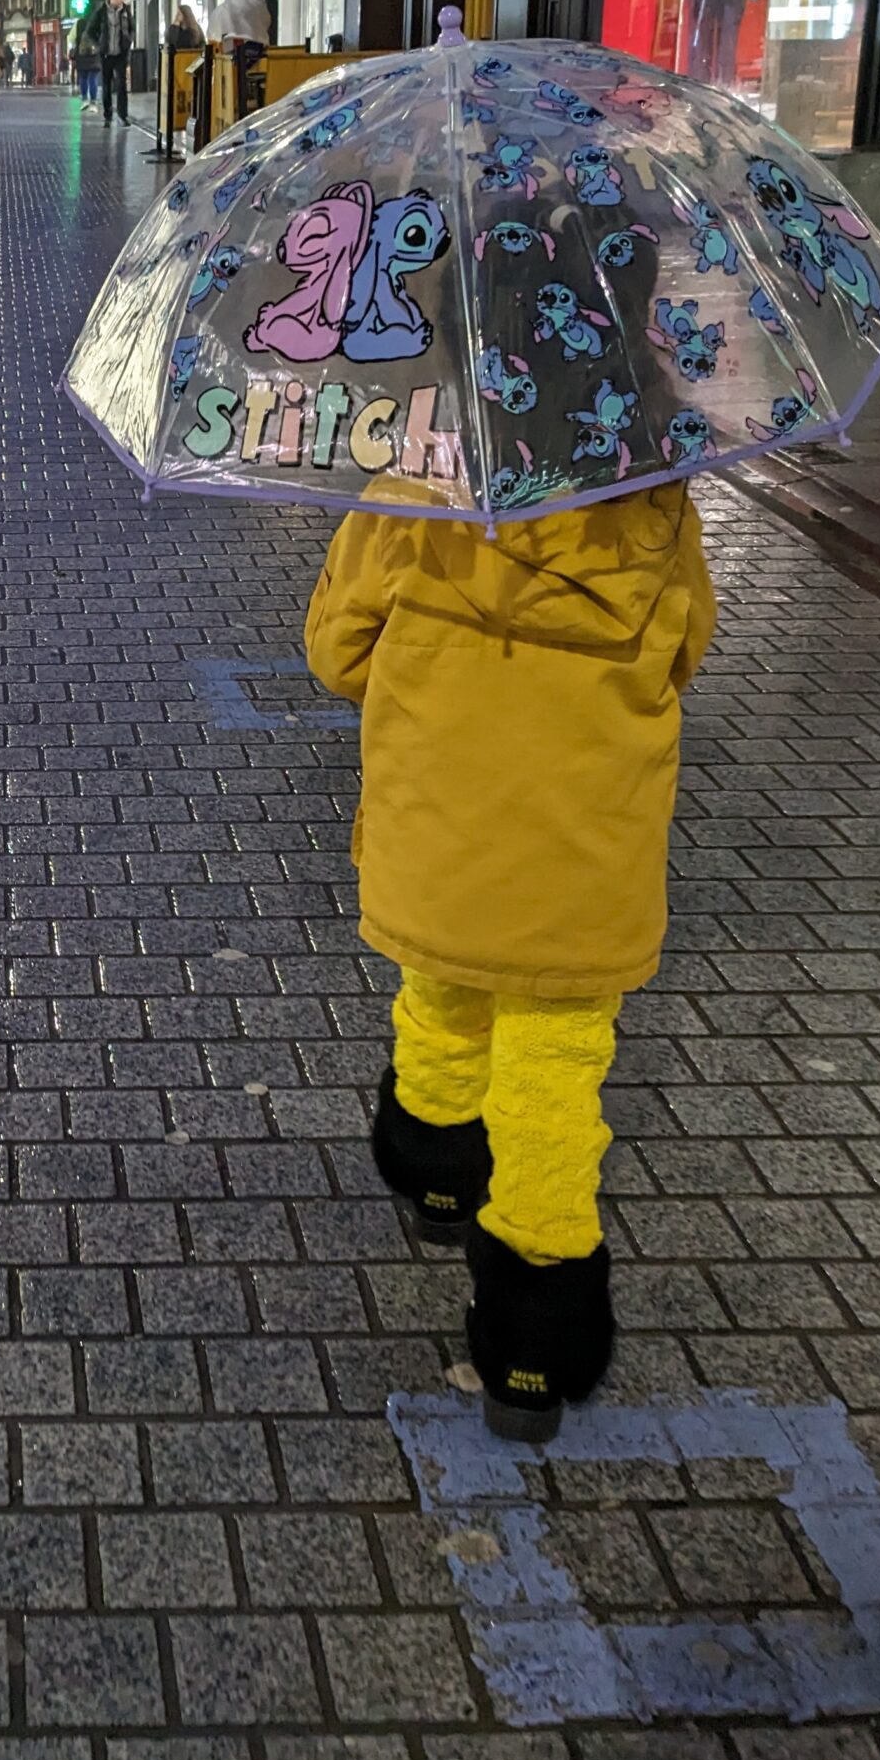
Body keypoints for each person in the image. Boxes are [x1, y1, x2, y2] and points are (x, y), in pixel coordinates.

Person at [305, 480, 715, 1441]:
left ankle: (438, 1178)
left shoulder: (414, 489)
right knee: (555, 1082)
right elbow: (685, 650)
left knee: (442, 1000)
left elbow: (338, 652)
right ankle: (533, 1340)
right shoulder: (654, 504)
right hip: (585, 857)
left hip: (444, 830)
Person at [84, 0, 136, 125]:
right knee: (106, 85)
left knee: (121, 85)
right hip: (106, 54)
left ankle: (122, 116)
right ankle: (108, 115)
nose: (121, 0)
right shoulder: (101, 12)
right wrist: (98, 44)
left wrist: (129, 40)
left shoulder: (125, 11)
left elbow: (132, 28)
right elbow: (90, 30)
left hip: (120, 53)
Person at [73, 22, 101, 107]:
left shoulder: (79, 27)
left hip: (81, 56)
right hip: (93, 56)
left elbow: (75, 43)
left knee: (83, 78)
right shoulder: (96, 25)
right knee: (93, 79)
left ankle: (84, 99)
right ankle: (93, 100)